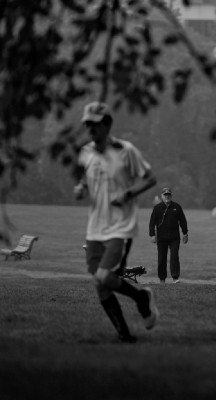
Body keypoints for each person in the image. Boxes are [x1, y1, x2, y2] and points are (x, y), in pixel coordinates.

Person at [73, 101, 158, 343]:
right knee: (100, 283)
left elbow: (150, 178)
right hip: (95, 227)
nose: (91, 129)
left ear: (108, 124)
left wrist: (128, 193)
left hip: (121, 225)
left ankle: (141, 299)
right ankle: (125, 333)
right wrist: (81, 188)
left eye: (96, 124)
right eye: (88, 124)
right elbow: (87, 181)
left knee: (102, 276)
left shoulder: (125, 150)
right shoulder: (85, 153)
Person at [149, 187, 189, 283]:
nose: (167, 196)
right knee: (162, 258)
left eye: (169, 195)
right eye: (165, 195)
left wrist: (185, 233)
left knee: (174, 256)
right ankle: (162, 279)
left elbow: (183, 220)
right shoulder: (157, 208)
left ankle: (175, 277)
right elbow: (152, 222)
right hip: (162, 237)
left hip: (174, 237)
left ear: (171, 196)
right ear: (161, 196)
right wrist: (152, 235)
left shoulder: (177, 207)